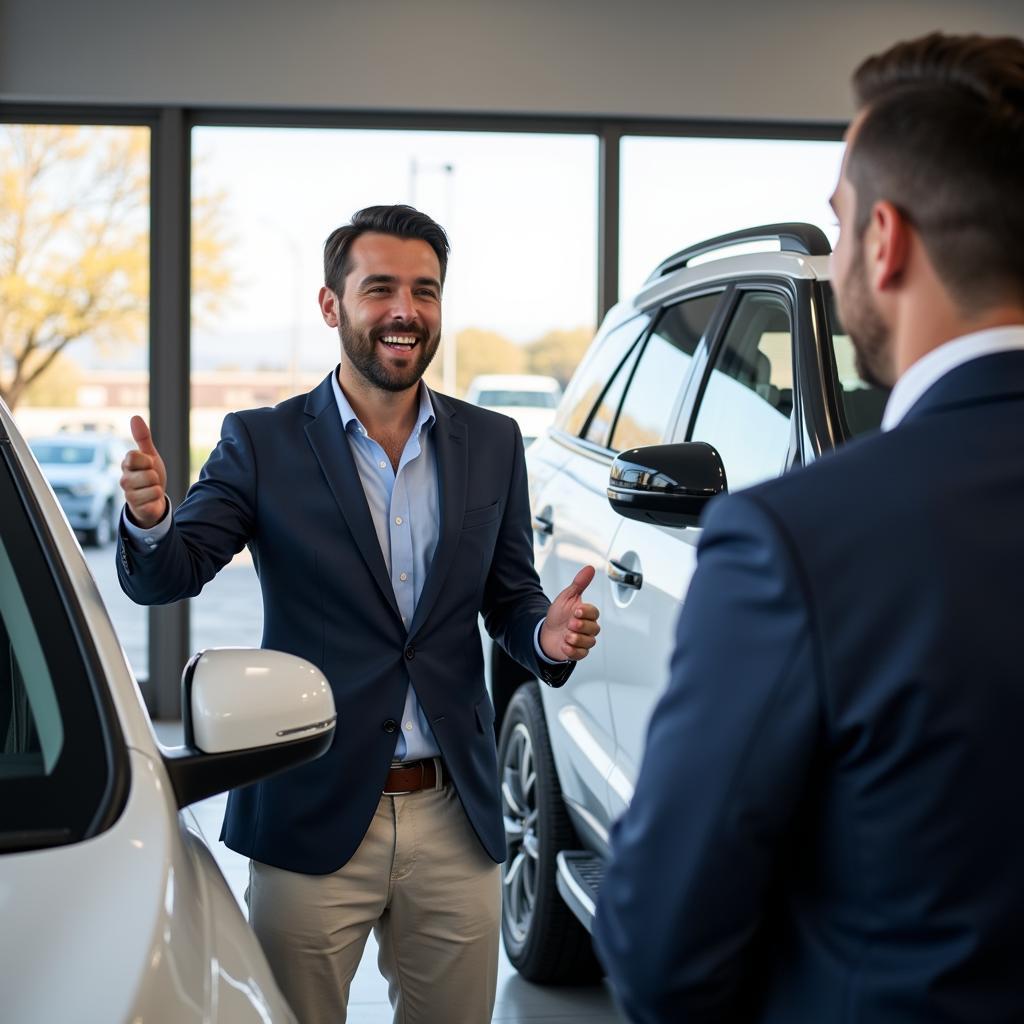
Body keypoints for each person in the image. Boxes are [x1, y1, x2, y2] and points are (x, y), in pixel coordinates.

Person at [593, 31, 1024, 1024]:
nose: (836, 264)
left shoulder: (796, 541)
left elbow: (661, 956)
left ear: (885, 241)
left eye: (837, 230)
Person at [116, 204, 601, 1024]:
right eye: (380, 289)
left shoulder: (493, 442)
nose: (405, 311)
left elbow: (509, 599)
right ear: (331, 305)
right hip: (310, 807)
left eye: (425, 290)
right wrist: (151, 517)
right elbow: (170, 573)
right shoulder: (261, 441)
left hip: (457, 814)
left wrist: (544, 635)